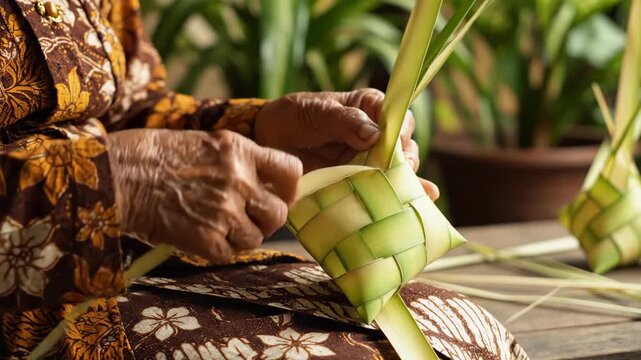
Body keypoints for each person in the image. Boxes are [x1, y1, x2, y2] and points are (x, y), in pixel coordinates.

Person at [0, 0, 527, 358]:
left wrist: (262, 135)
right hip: (27, 306)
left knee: (462, 333)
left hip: (138, 262)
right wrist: (106, 185)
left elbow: (124, 104)